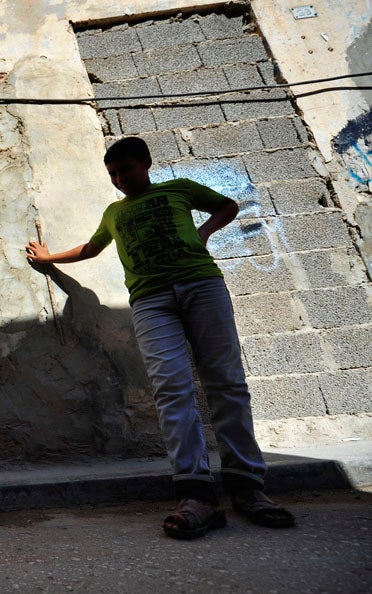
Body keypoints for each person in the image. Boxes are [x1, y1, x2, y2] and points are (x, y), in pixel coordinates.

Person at [25, 136, 295, 540]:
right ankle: (196, 495)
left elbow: (228, 205)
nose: (119, 179)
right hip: (151, 301)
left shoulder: (179, 189)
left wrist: (202, 234)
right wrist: (49, 259)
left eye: (126, 170)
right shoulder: (114, 212)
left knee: (226, 383)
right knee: (171, 388)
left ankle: (247, 488)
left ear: (146, 164)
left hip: (202, 287)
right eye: (113, 174)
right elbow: (91, 249)